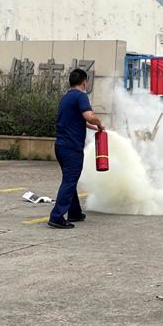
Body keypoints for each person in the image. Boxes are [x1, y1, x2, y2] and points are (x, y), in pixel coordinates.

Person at [48, 69, 104, 229]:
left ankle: (74, 212)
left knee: (69, 179)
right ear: (84, 82)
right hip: (72, 147)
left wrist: (93, 127)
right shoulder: (81, 96)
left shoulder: (66, 97)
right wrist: (99, 124)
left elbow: (78, 119)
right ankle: (57, 216)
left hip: (60, 145)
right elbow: (89, 116)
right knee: (69, 180)